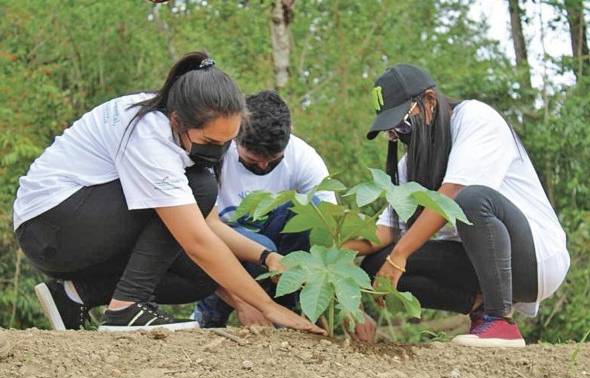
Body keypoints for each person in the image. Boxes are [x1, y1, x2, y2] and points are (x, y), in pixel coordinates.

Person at [13, 51, 325, 335]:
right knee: (201, 189)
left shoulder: (180, 135)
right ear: (178, 121)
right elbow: (196, 240)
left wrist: (267, 257)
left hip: (78, 229)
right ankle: (126, 309)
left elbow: (210, 226)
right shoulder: (148, 134)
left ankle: (73, 295)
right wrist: (270, 306)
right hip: (51, 226)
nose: (219, 151)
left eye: (228, 141)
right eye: (212, 141)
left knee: (203, 277)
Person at [347, 64, 570, 347]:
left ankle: (500, 320)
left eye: (402, 125)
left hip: (535, 259)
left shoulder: (476, 118)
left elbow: (452, 195)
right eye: (393, 133)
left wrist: (400, 255)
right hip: (479, 260)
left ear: (429, 101)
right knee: (376, 263)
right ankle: (481, 309)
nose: (401, 137)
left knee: (471, 200)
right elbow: (386, 230)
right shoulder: (415, 161)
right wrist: (332, 248)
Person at [193, 90, 335, 327]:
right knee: (262, 247)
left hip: (277, 260)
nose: (263, 166)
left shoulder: (304, 159)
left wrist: (351, 302)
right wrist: (244, 302)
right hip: (220, 253)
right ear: (235, 138)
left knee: (315, 211)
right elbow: (196, 235)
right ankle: (210, 319)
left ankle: (288, 311)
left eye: (273, 161)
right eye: (252, 160)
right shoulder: (213, 155)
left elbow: (331, 232)